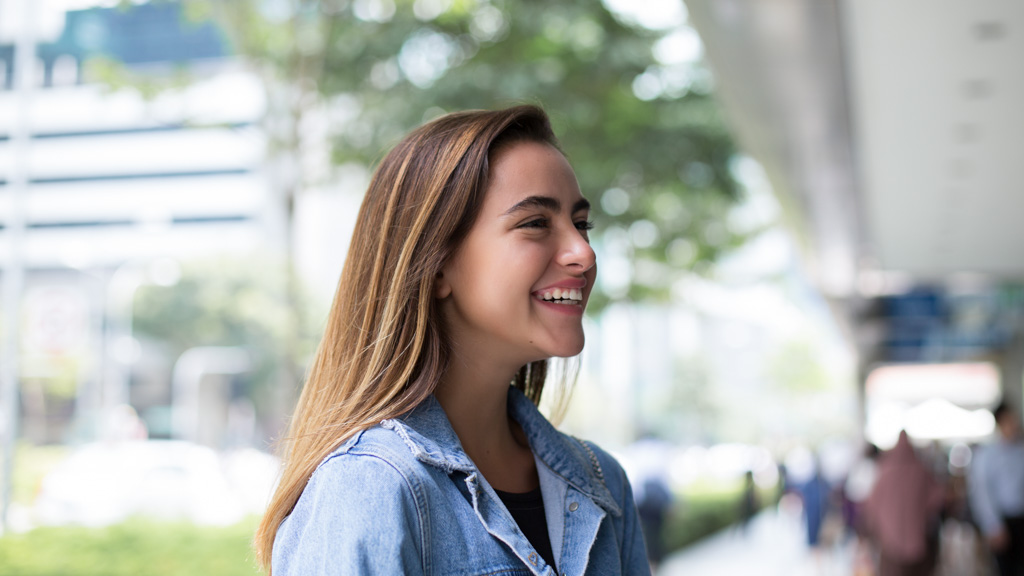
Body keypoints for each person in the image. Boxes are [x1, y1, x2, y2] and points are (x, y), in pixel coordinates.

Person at [254, 105, 651, 576]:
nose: (583, 253)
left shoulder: (600, 481)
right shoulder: (369, 485)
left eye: (581, 225)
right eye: (535, 223)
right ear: (437, 264)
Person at [862, 430, 945, 576]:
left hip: (890, 545)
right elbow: (937, 499)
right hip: (919, 542)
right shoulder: (921, 471)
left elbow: (872, 506)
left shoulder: (884, 471)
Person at [970, 402, 1024, 576]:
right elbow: (982, 493)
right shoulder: (988, 455)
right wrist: (993, 525)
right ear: (1000, 423)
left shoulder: (1020, 450)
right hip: (1003, 521)